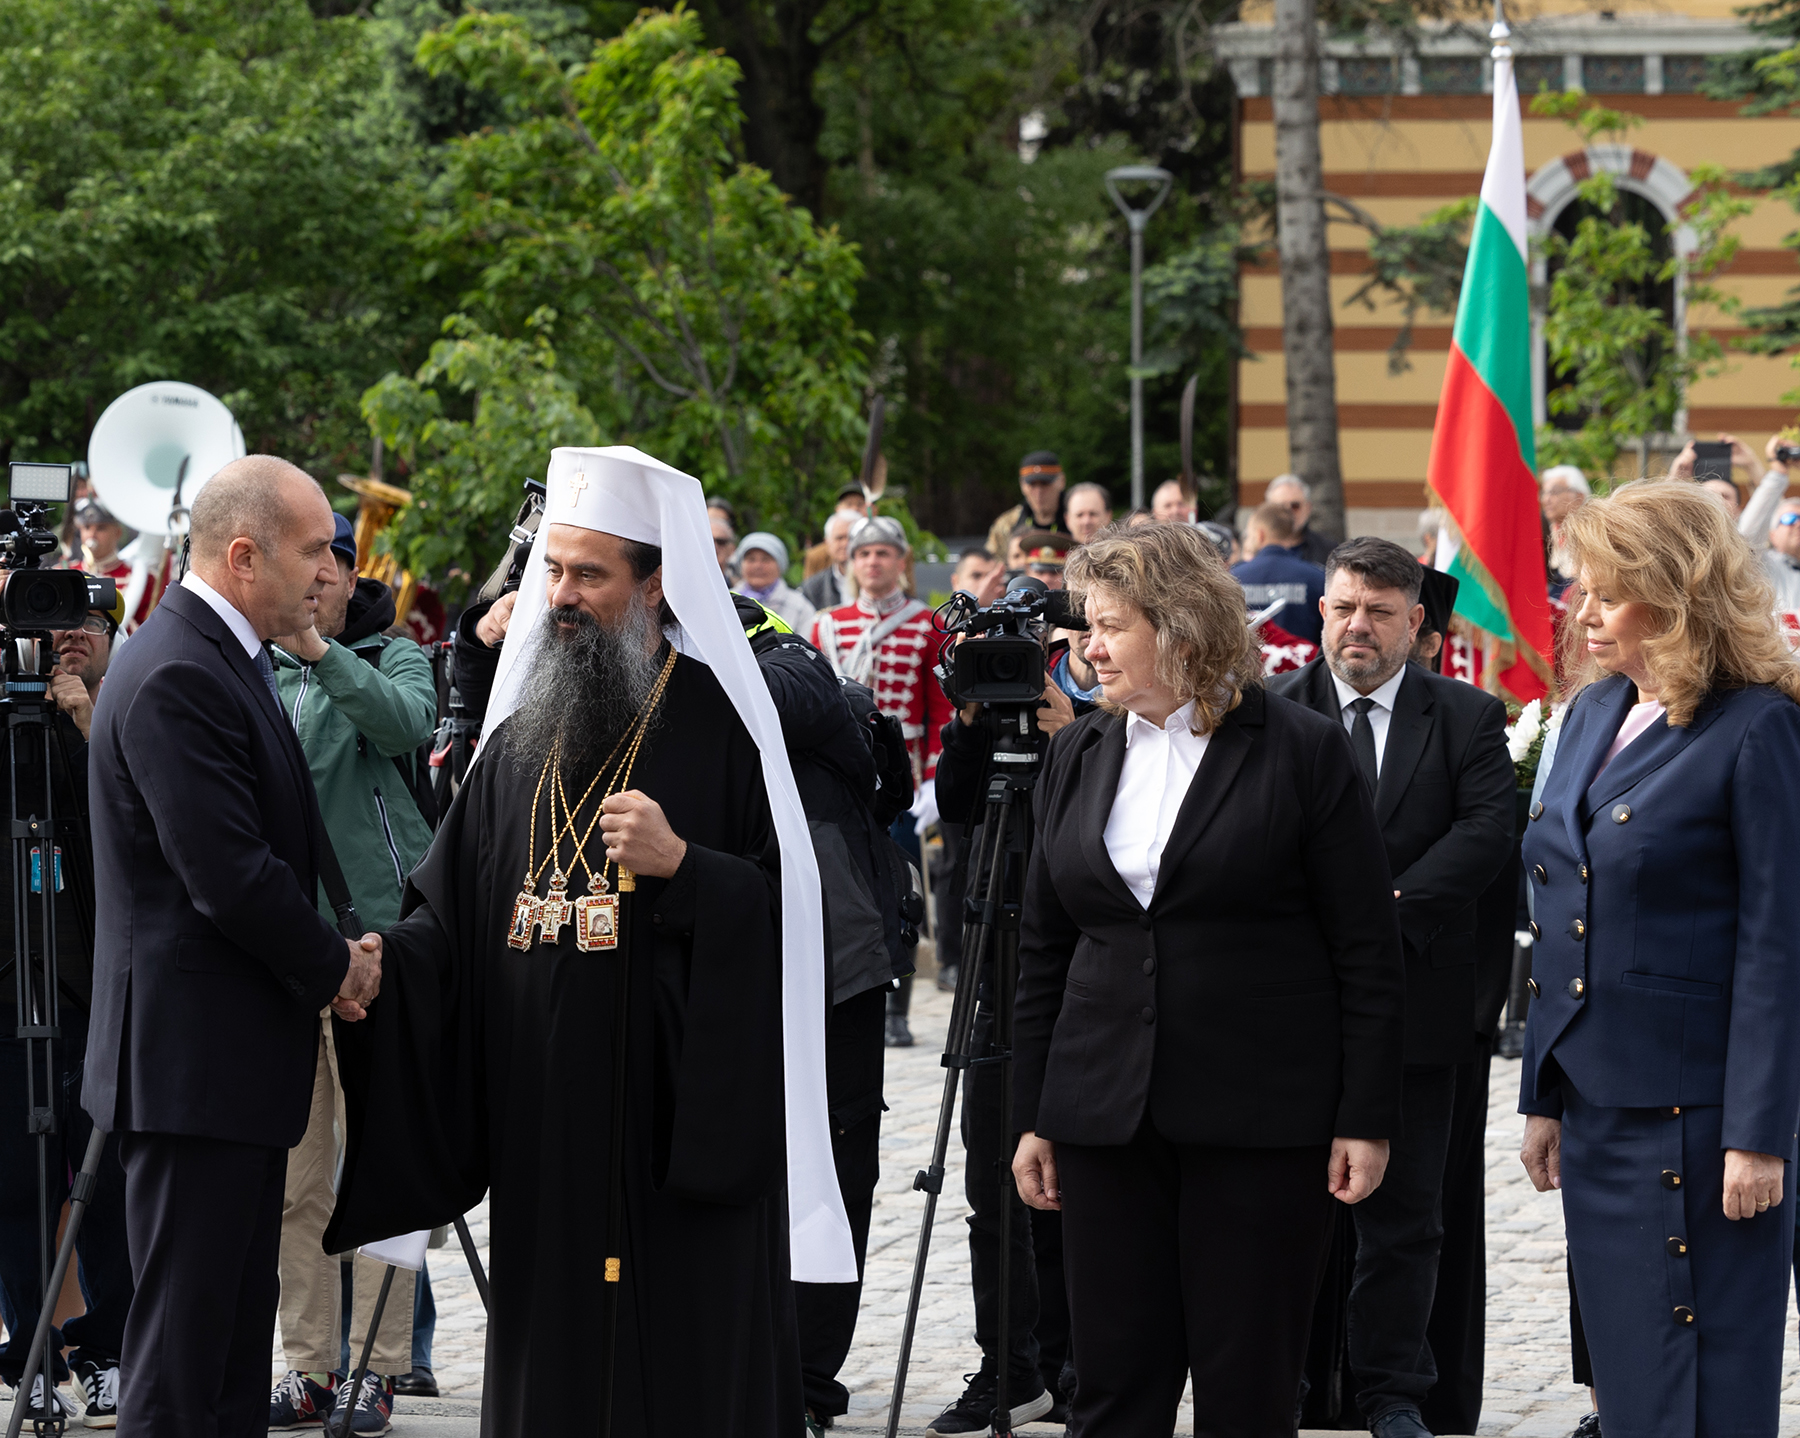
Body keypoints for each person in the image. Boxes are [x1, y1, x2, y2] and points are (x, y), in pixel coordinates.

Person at [325, 448, 854, 1436]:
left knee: (681, 1369)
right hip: (545, 1130)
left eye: (588, 574)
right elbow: (452, 909)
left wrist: (686, 865)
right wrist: (391, 961)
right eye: (552, 571)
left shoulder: (726, 732)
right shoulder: (523, 731)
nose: (559, 596)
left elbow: (793, 923)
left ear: (655, 583)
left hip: (675, 1133)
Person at [1010, 522, 1405, 1435]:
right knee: (1109, 1387)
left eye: (1109, 627)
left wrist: (1366, 1118)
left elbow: (1366, 949)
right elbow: (1043, 949)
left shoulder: (1301, 750)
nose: (1086, 650)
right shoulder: (1077, 753)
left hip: (1261, 1120)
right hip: (1105, 1114)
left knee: (1249, 1387)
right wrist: (1033, 1112)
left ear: (1181, 625)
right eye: (1083, 630)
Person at [82, 456, 383, 1438]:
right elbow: (229, 874)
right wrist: (337, 966)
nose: (330, 572)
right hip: (191, 1069)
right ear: (243, 554)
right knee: (180, 1362)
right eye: (311, 551)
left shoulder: (224, 652)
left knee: (223, 1357)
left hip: (228, 1066)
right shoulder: (177, 667)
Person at [1518, 479, 1800, 1438]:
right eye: (1580, 588)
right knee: (1629, 1367)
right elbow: (1561, 908)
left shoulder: (1760, 724)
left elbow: (1777, 944)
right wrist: (1543, 1095)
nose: (1582, 612)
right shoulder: (1594, 712)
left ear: (1676, 596)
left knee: (1704, 1368)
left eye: (1607, 591)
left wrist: (1759, 1135)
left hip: (1703, 1116)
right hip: (1598, 1105)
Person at [1270, 538, 1514, 1438]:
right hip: (1293, 1010)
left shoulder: (1469, 718)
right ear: (1321, 612)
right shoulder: (1270, 712)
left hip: (1420, 1003)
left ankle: (1393, 1392)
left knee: (1406, 1216)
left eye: (1378, 610)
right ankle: (1285, 1383)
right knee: (1285, 1210)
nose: (1357, 626)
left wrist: (1383, 913)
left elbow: (1487, 835)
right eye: (1342, 607)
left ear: (1417, 622)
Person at [266, 513, 436, 1436]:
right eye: (303, 563)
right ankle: (309, 1366)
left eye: (329, 562)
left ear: (346, 569)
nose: (316, 577)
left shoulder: (393, 652)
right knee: (298, 1180)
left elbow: (404, 722)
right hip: (293, 956)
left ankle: (377, 1366)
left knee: (381, 1167)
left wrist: (321, 651)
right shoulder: (248, 666)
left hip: (383, 949)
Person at [730, 596, 911, 1432]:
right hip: (732, 957)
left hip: (836, 962)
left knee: (836, 1167)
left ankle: (807, 1377)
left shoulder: (781, 653)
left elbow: (794, 697)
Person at [926, 677, 1078, 1434]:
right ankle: (1009, 1368)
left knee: (1087, 1189)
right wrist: (968, 726)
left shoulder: (1126, 717)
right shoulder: (1007, 701)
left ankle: (1083, 1366)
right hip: (1000, 978)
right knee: (994, 1183)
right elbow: (954, 803)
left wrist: (1073, 737)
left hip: (1093, 988)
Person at [0, 609, 133, 1429]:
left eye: (85, 617)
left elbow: (129, 829)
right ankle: (35, 1354)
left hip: (92, 983)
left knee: (107, 1177)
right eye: (46, 620)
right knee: (16, 1182)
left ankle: (114, 1349)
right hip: (11, 985)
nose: (67, 635)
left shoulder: (120, 709)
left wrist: (85, 722)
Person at [810, 517, 953, 1047]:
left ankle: (897, 1009)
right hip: (841, 779)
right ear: (850, 562)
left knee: (901, 892)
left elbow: (939, 711)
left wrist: (935, 781)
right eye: (864, 553)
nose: (872, 561)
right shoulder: (826, 625)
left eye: (883, 553)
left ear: (901, 561)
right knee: (843, 889)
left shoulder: (925, 625)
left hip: (902, 781)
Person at [1231, 501, 1326, 645]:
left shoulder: (1233, 577)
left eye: (1249, 535)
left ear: (1260, 535)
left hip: (1247, 666)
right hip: (1303, 664)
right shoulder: (1317, 577)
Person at [72, 498, 166, 631]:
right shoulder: (66, 571)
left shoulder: (145, 578)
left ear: (117, 533)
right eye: (87, 528)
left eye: (101, 528)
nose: (92, 535)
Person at [985, 451, 1068, 561]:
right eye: (1032, 484)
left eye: (1045, 484)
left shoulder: (1079, 519)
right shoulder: (1007, 525)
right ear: (1022, 486)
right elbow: (990, 565)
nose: (1038, 492)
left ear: (1061, 481)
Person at [732, 531, 816, 633]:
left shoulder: (800, 607)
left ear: (780, 565)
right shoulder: (726, 600)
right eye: (751, 559)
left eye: (766, 559)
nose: (758, 566)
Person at [1267, 475, 1334, 566]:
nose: (1288, 512)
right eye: (1281, 506)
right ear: (1267, 510)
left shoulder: (1328, 551)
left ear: (1308, 508)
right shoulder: (1252, 549)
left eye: (1295, 506)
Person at [802, 511, 857, 612]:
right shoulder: (812, 588)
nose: (845, 543)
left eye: (851, 537)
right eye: (839, 538)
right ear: (827, 543)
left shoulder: (880, 581)